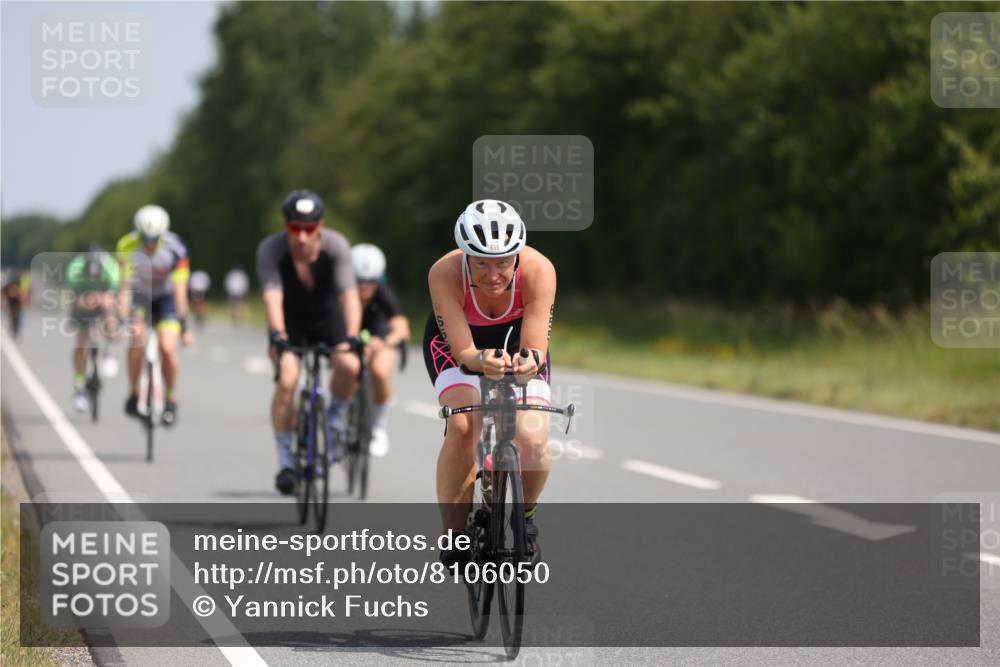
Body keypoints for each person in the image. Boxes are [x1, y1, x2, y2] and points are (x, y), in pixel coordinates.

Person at [424, 199, 556, 566]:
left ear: (518, 254)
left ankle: (526, 522)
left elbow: (535, 347)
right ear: (465, 255)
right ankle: (455, 534)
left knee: (532, 438)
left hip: (516, 343)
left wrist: (528, 363)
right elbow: (464, 351)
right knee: (465, 424)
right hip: (457, 346)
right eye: (481, 262)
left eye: (502, 262)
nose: (493, 273)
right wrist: (480, 360)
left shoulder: (539, 270)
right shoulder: (444, 273)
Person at [256, 189, 362, 495]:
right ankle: (286, 460)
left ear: (320, 226)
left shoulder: (336, 246)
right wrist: (278, 336)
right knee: (288, 378)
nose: (302, 238)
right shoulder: (271, 249)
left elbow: (349, 296)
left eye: (309, 229)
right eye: (294, 229)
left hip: (327, 318)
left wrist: (353, 335)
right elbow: (272, 297)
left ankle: (335, 419)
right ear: (285, 226)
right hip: (290, 322)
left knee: (349, 364)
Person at [116, 204, 194, 426]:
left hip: (166, 297)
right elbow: (125, 288)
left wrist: (185, 327)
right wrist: (121, 321)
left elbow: (180, 291)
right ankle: (133, 394)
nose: (149, 244)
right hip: (140, 296)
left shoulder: (177, 248)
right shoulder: (126, 246)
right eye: (145, 238)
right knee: (136, 338)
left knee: (168, 348)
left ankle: (170, 399)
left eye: (154, 239)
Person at [351, 243, 410, 457]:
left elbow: (401, 327)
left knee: (380, 371)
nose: (365, 287)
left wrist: (386, 342)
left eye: (371, 282)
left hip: (379, 339)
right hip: (351, 340)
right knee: (347, 368)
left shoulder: (384, 293)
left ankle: (378, 427)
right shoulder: (340, 293)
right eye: (359, 281)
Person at [65, 246, 121, 412]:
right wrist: (84, 301)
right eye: (90, 274)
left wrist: (101, 299)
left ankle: (109, 351)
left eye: (96, 275)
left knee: (109, 309)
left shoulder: (110, 267)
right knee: (81, 342)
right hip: (82, 299)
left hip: (103, 297)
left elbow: (113, 294)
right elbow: (74, 297)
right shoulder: (75, 269)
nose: (93, 277)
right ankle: (79, 385)